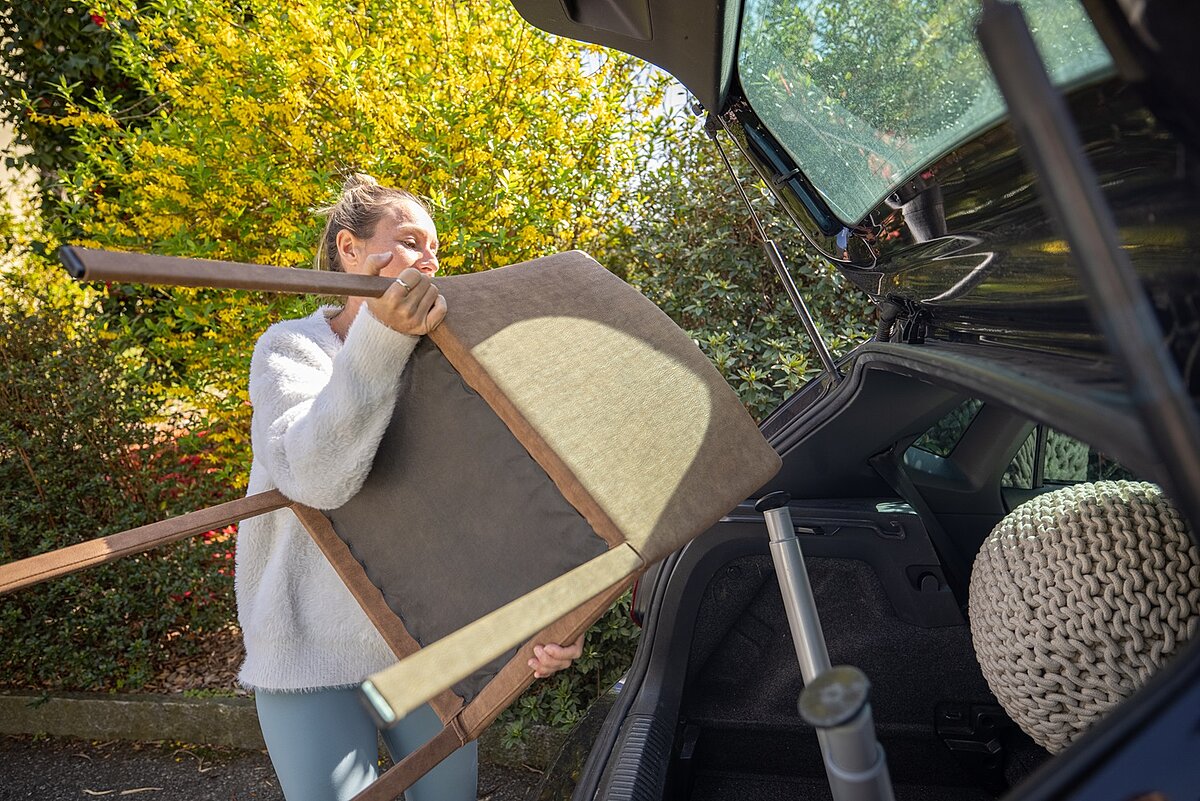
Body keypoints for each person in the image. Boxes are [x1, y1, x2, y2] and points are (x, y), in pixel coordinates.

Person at [235, 174, 583, 801]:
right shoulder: (293, 348)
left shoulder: (449, 362)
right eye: (408, 240)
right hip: (311, 652)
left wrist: (553, 615)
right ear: (349, 249)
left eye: (434, 249)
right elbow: (316, 478)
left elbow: (495, 504)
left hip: (429, 649)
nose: (428, 259)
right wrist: (384, 337)